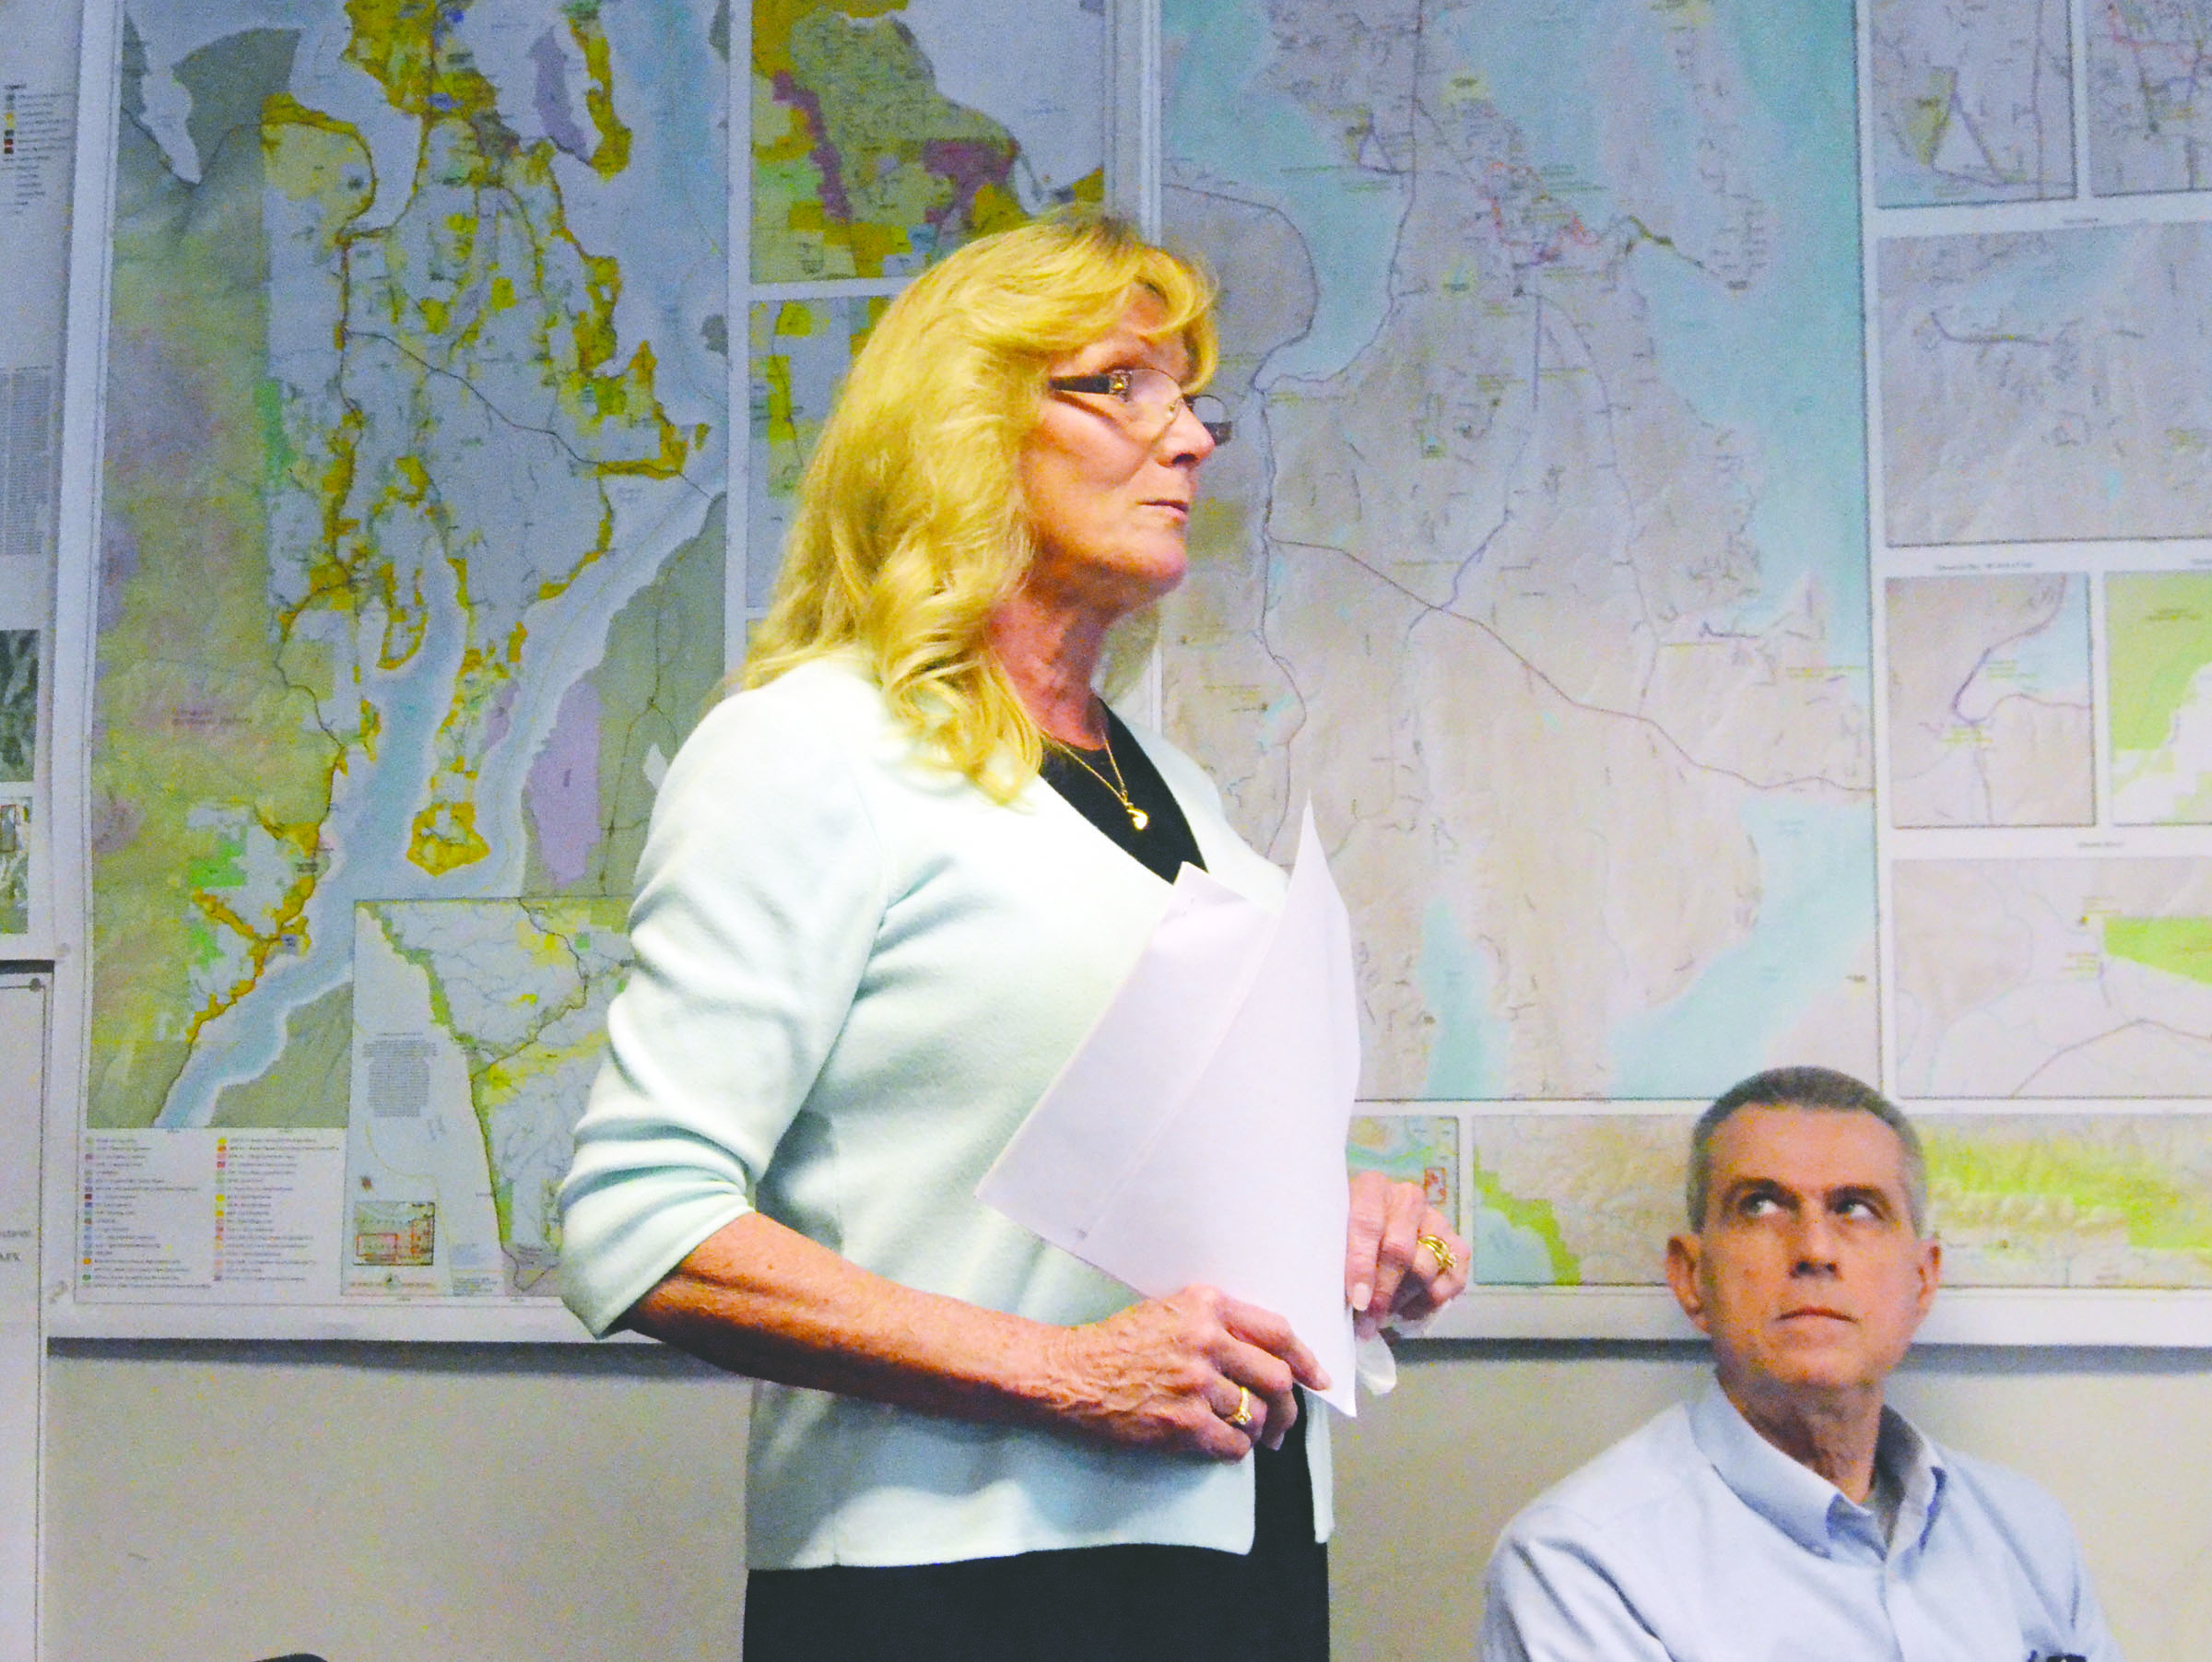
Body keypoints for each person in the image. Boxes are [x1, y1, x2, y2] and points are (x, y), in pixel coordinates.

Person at [558, 211, 1468, 1662]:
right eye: (1121, 385)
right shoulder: (811, 747)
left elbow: (1121, 1171)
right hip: (962, 1584)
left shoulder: (1174, 785)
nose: (1190, 441)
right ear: (963, 426)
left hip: (1242, 1556)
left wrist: (1333, 1216)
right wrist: (1063, 1372)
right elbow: (639, 1222)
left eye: (1192, 397)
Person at [1478, 1066, 2120, 1662]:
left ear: (1922, 1283)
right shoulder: (1583, 1564)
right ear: (1691, 1276)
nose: (1815, 1248)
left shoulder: (2027, 1533)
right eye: (1760, 1205)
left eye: (1857, 1208)